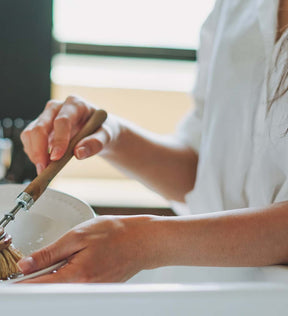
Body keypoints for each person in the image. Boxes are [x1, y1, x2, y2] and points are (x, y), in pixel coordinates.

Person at [16, 0, 288, 283]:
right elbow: (203, 174)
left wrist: (148, 241)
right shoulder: (235, 7)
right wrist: (113, 134)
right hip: (222, 293)